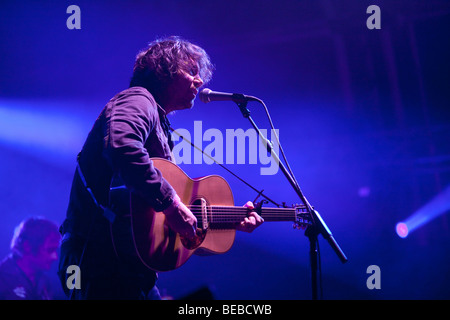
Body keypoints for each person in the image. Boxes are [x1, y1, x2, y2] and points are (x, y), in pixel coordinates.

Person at [58, 36, 264, 300]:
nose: (199, 81)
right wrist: (172, 204)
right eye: (191, 71)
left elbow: (159, 221)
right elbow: (122, 146)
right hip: (101, 260)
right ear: (164, 68)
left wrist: (231, 223)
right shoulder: (137, 99)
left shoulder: (158, 120)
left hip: (129, 268)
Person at [0, 217, 61, 300]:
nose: (55, 257)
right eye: (50, 250)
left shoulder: (44, 282)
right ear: (27, 246)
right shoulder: (3, 279)